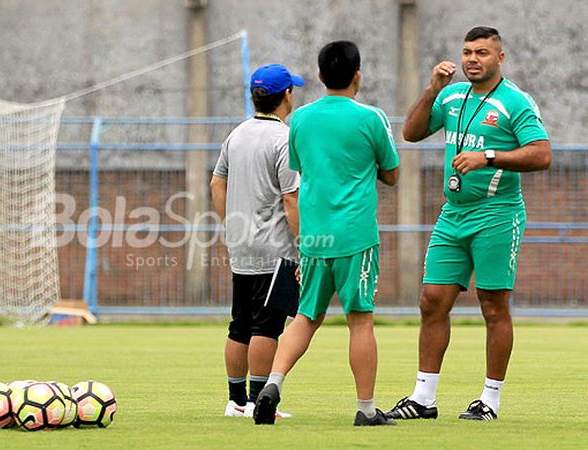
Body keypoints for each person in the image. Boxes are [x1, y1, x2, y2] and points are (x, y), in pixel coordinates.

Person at [386, 26, 551, 422]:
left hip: (497, 212)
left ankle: (489, 400)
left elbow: (542, 154)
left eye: (482, 52)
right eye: (466, 52)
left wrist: (489, 156)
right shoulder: (452, 95)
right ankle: (423, 397)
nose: (472, 59)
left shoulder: (515, 102)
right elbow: (409, 133)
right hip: (453, 212)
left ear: (500, 58)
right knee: (431, 300)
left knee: (493, 305)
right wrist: (432, 89)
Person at [252, 41, 400, 427]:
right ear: (358, 75)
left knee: (305, 316)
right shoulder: (372, 118)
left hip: (315, 235)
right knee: (360, 318)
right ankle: (366, 409)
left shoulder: (300, 119)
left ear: (319, 76)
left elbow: (302, 167)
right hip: (356, 235)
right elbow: (392, 173)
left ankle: (272, 384)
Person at [210, 64, 303, 418]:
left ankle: (235, 402)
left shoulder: (237, 134)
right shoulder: (284, 138)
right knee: (268, 325)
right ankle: (257, 401)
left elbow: (217, 183)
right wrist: (303, 243)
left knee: (240, 324)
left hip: (242, 245)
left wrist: (231, 223)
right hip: (275, 249)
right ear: (287, 96)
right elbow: (291, 198)